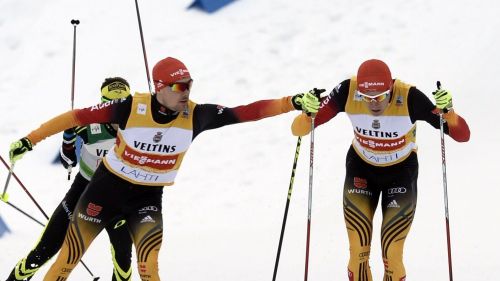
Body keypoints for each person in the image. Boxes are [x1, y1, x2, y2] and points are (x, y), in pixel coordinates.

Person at [8, 57, 320, 281]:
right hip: (104, 191)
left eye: (189, 84)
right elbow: (74, 117)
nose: (186, 91)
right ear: (160, 88)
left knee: (149, 267)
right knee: (67, 259)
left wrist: (291, 102)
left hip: (145, 199)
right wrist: (30, 139)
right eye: (178, 86)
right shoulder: (130, 107)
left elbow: (245, 111)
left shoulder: (196, 115)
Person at [291, 59, 470, 281]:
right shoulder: (347, 90)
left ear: (391, 87)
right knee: (358, 251)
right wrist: (308, 113)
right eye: (367, 98)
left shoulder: (410, 97)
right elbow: (299, 130)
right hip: (361, 170)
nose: (374, 104)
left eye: (381, 96)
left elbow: (463, 136)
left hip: (401, 173)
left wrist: (449, 113)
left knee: (392, 253)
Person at [5, 77, 134, 281]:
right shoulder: (91, 125)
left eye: (125, 103)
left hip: (119, 196)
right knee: (44, 250)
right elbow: (66, 132)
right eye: (113, 105)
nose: (120, 111)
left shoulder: (141, 128)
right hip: (83, 190)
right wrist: (60, 148)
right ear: (103, 104)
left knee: (123, 259)